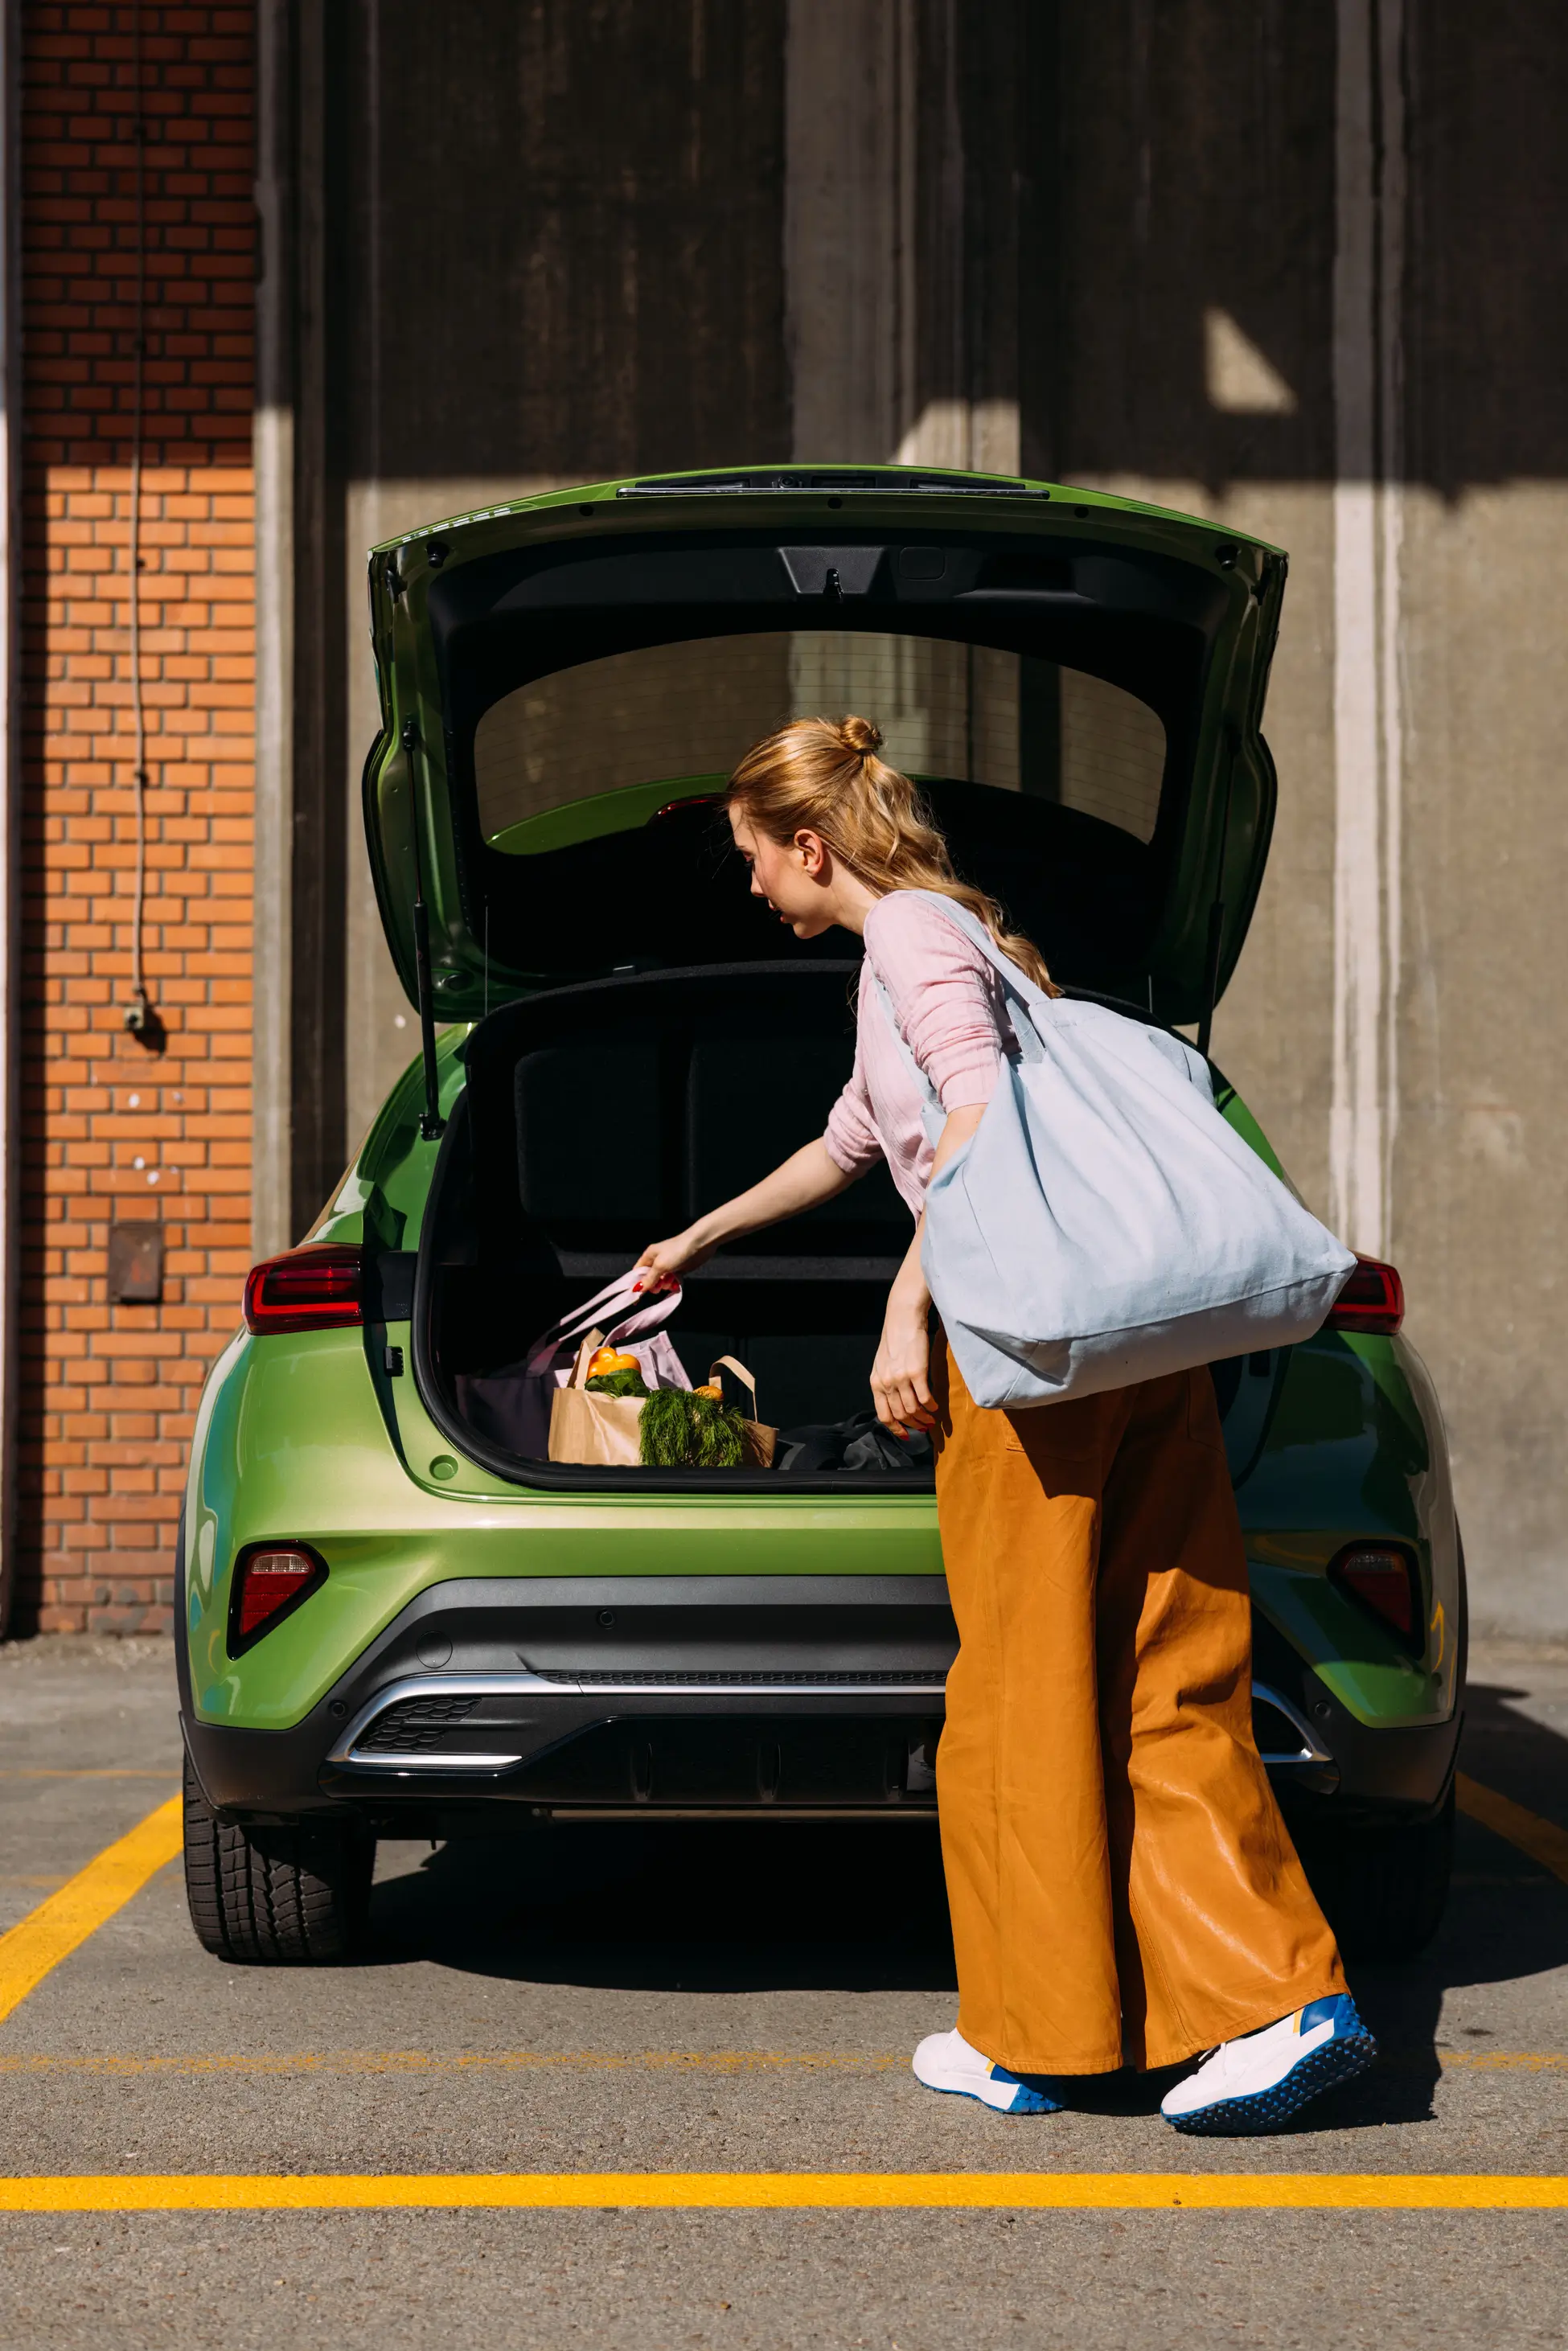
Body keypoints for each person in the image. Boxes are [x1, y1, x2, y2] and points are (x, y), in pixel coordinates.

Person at [635, 712, 1375, 2135]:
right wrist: (695, 1240)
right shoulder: (953, 941)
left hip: (1026, 1364)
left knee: (1020, 1695)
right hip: (1133, 1351)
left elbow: (975, 1132)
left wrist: (904, 1308)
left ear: (807, 844)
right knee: (1169, 1670)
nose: (746, 888)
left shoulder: (910, 938)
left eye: (749, 858)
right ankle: (1279, 2006)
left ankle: (1043, 2038)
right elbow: (855, 1142)